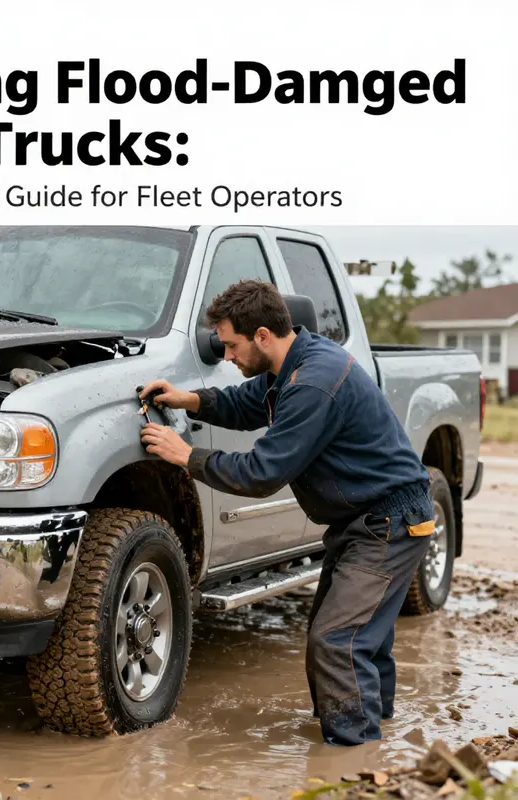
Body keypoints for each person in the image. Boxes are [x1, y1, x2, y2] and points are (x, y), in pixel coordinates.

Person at [139, 279, 435, 748]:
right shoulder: (295, 363)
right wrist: (189, 399)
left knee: (338, 642)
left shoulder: (313, 383)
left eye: (232, 345)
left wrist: (184, 455)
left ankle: (352, 760)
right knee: (359, 640)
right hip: (367, 521)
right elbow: (246, 402)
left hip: (388, 523)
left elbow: (260, 474)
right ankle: (379, 747)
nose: (228, 356)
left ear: (261, 336)